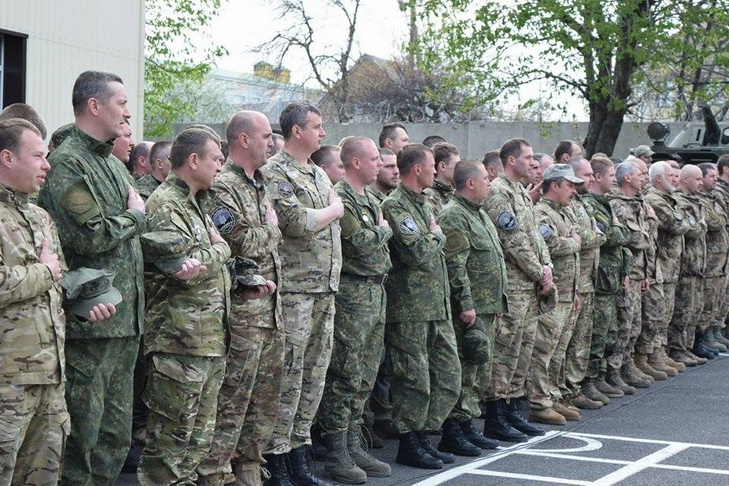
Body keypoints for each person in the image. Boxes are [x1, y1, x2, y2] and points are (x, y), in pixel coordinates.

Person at [38, 70, 146, 486]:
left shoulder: (110, 163)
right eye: (121, 103)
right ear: (95, 106)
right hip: (92, 322)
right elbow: (92, 234)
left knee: (115, 436)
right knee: (82, 434)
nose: (128, 112)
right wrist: (135, 215)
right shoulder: (68, 163)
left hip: (124, 321)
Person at [0, 118, 116, 486]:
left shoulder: (39, 216)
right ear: (7, 158)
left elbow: (58, 285)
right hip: (7, 386)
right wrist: (44, 274)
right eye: (37, 155)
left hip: (50, 381)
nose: (47, 164)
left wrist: (83, 309)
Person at [196, 111, 286, 486]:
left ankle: (249, 464)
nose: (272, 142)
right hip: (242, 310)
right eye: (266, 136)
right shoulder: (223, 185)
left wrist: (265, 229)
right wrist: (272, 229)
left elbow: (258, 237)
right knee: (233, 396)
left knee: (264, 397)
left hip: (269, 308)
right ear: (244, 140)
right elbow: (240, 240)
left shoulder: (259, 182)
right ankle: (215, 470)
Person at [261, 102, 343, 486]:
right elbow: (295, 224)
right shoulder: (276, 171)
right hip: (295, 291)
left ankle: (299, 453)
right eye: (317, 126)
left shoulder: (318, 174)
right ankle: (276, 458)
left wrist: (325, 211)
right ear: (297, 131)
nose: (323, 133)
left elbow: (315, 220)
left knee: (314, 376)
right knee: (289, 375)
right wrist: (334, 210)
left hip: (323, 288)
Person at [380, 144, 461, 470]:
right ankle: (410, 442)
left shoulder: (423, 204)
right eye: (431, 165)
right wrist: (436, 236)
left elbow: (427, 246)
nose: (436, 170)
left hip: (435, 306)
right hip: (410, 308)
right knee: (413, 379)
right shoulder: (395, 205)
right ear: (417, 169)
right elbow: (414, 253)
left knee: (448, 374)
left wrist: (432, 235)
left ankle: (425, 433)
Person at [318, 136, 393, 484]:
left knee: (365, 374)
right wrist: (382, 229)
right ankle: (336, 452)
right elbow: (360, 243)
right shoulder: (341, 195)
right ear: (356, 163)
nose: (379, 164)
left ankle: (354, 442)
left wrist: (377, 229)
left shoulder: (371, 197)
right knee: (345, 374)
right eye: (374, 158)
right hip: (353, 295)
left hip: (375, 293)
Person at [482, 138, 553, 442]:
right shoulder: (499, 192)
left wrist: (547, 266)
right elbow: (512, 241)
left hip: (530, 285)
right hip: (514, 285)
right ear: (511, 161)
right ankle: (496, 416)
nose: (531, 162)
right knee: (505, 351)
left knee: (523, 350)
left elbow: (535, 236)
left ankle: (514, 410)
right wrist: (539, 272)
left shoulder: (521, 193)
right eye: (526, 158)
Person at [437, 160, 506, 455]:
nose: (489, 183)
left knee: (479, 370)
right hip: (470, 308)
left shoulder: (478, 214)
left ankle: (466, 426)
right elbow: (456, 265)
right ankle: (453, 430)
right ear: (470, 183)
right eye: (485, 179)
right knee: (465, 369)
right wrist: (466, 304)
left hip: (487, 305)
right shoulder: (454, 215)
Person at [528, 164, 583, 425]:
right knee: (544, 350)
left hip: (567, 292)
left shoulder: (564, 213)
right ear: (554, 186)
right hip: (552, 294)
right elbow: (548, 244)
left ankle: (554, 394)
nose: (573, 190)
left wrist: (575, 292)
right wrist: (573, 241)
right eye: (569, 185)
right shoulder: (542, 213)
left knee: (559, 349)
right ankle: (539, 402)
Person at [582, 157, 632, 395]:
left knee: (610, 332)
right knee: (598, 333)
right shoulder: (590, 204)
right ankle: (590, 380)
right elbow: (611, 236)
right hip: (600, 278)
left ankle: (602, 375)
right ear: (598, 177)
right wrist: (618, 229)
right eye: (611, 176)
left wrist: (618, 230)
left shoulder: (606, 203)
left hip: (611, 277)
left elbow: (622, 236)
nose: (615, 180)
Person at [563, 158, 607, 406]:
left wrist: (590, 237)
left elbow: (591, 235)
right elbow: (584, 238)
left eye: (591, 174)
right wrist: (593, 237)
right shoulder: (571, 204)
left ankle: (575, 386)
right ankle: (568, 388)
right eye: (586, 175)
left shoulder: (581, 203)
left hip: (586, 279)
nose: (590, 179)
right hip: (574, 281)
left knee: (582, 339)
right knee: (569, 341)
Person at [642, 162, 690, 375]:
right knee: (655, 315)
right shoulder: (654, 199)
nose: (675, 180)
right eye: (671, 176)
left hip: (669, 266)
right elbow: (678, 225)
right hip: (659, 265)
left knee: (664, 314)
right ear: (659, 178)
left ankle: (658, 353)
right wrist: (687, 218)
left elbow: (685, 223)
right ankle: (649, 356)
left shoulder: (669, 199)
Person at [668, 165, 708, 365]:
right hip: (684, 265)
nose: (701, 183)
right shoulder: (680, 202)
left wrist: (699, 224)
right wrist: (700, 224)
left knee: (693, 309)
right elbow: (690, 229)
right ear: (685, 180)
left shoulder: (696, 201)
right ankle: (676, 349)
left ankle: (686, 347)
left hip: (696, 265)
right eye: (697, 179)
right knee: (682, 311)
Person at [696, 163, 728, 354]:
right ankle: (703, 335)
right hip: (709, 256)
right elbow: (716, 222)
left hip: (720, 254)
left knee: (718, 296)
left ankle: (714, 330)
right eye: (711, 177)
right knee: (707, 298)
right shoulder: (703, 199)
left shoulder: (713, 197)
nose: (715, 180)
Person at [424, 142, 460, 216]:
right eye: (457, 165)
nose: (460, 168)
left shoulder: (458, 191)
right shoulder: (428, 196)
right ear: (443, 166)